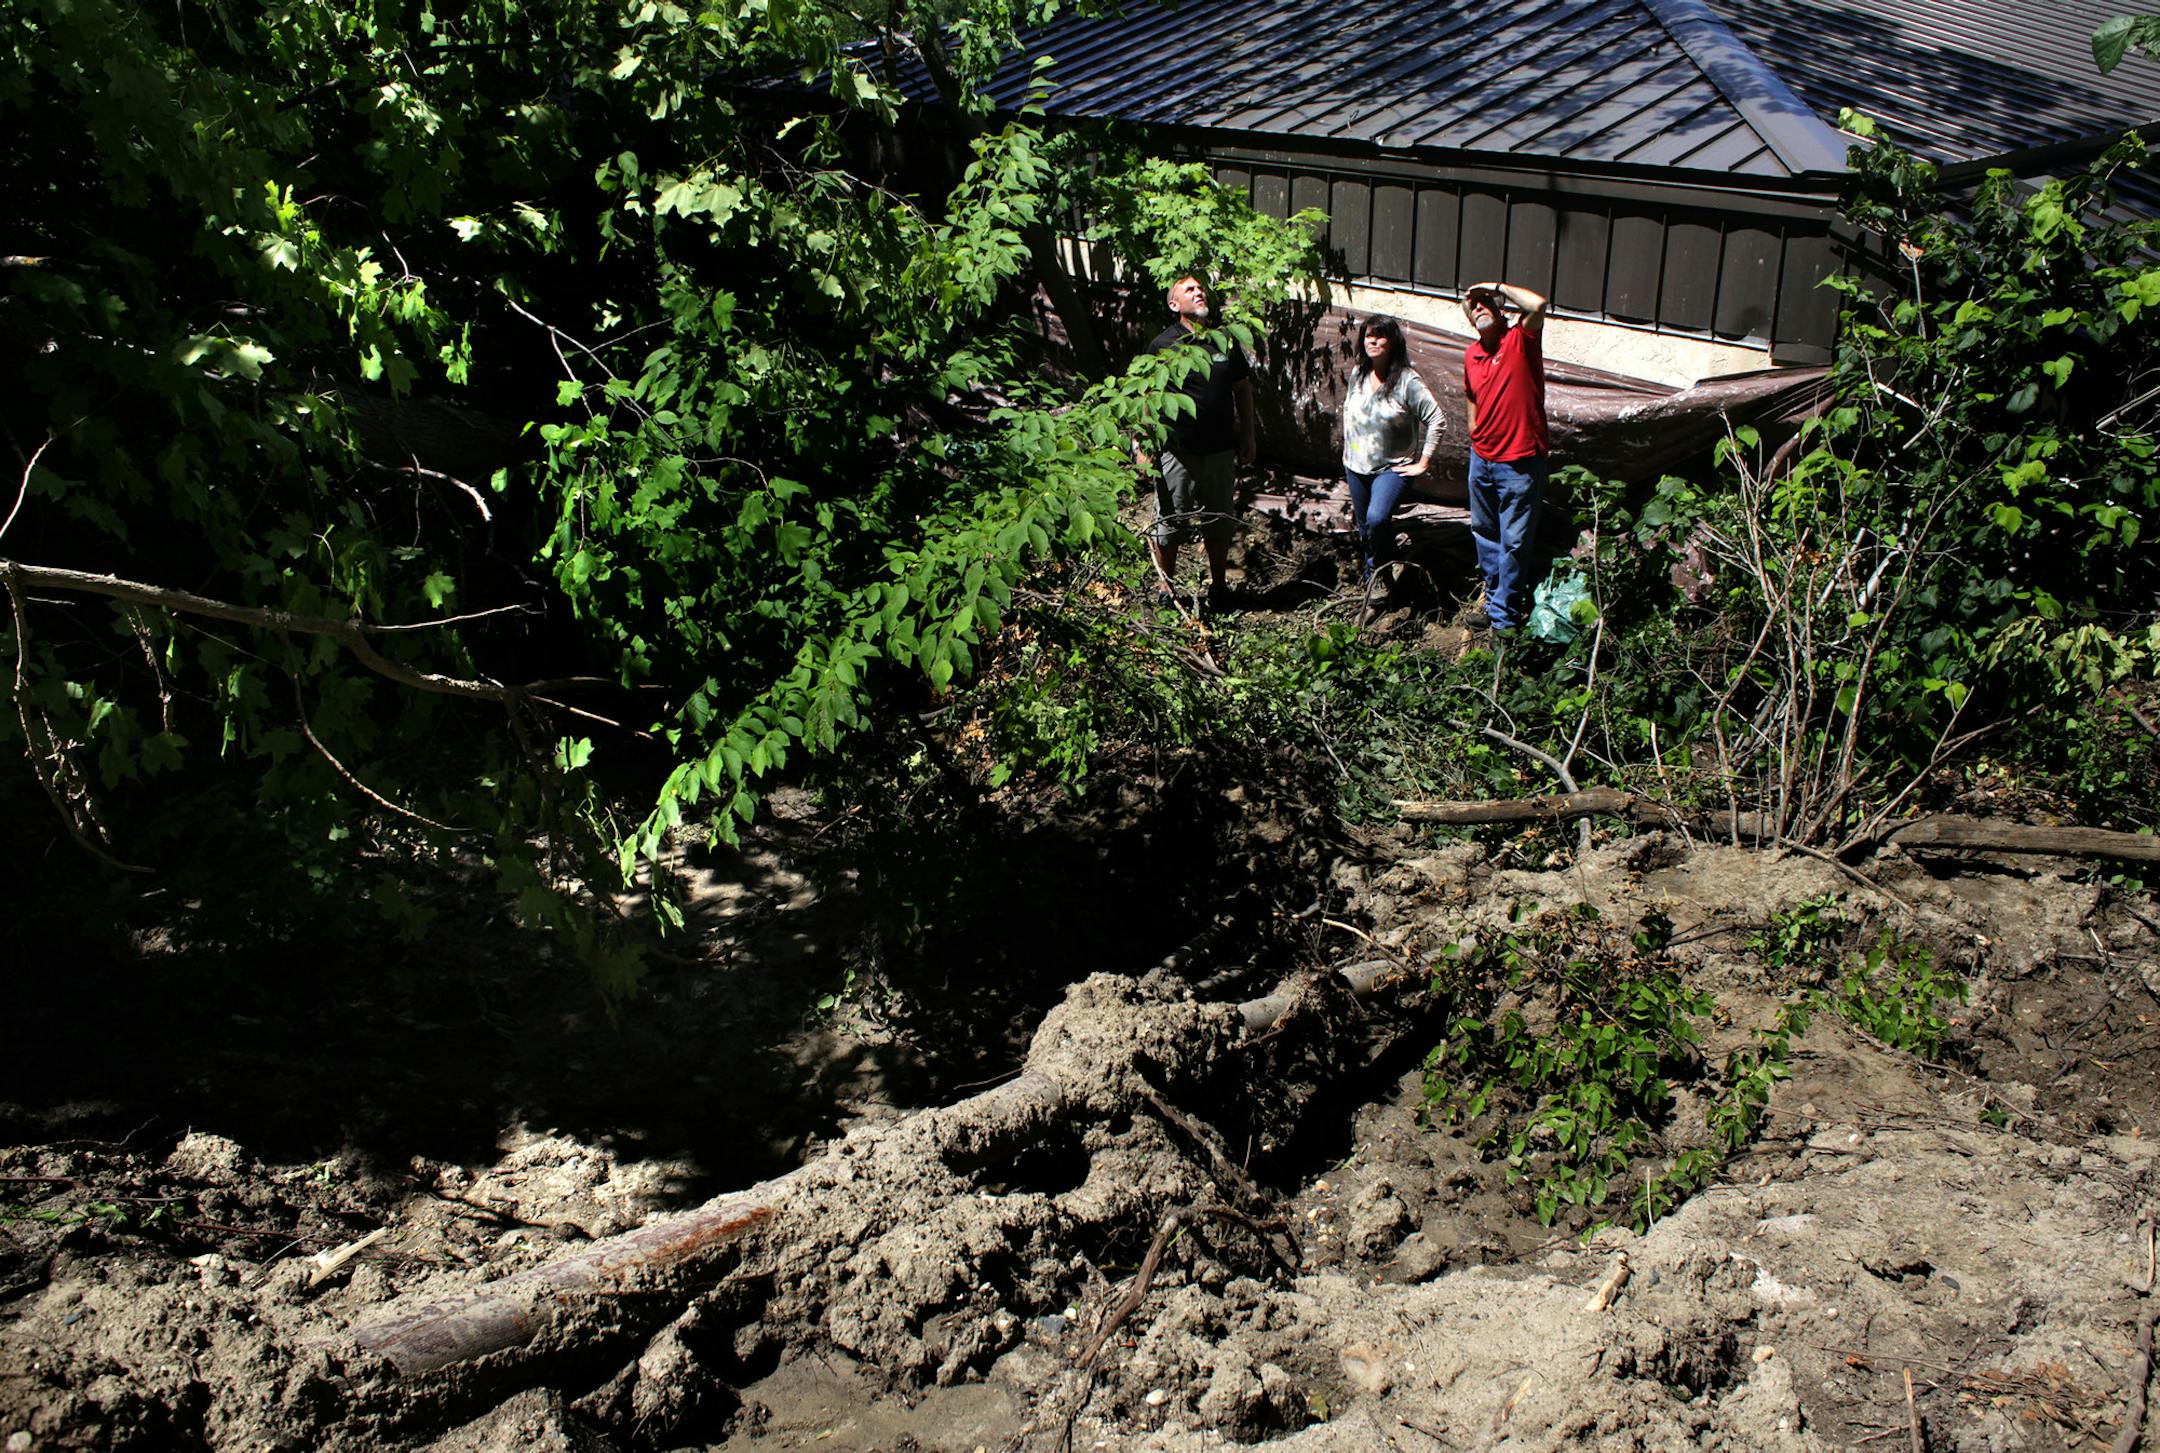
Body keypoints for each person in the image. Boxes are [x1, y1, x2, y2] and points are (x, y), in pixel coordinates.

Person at [1134, 273, 1255, 610]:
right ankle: (1166, 589)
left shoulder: (1224, 340)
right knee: (1170, 522)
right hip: (1178, 452)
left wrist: (1248, 434)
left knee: (1219, 521)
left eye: (1200, 288)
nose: (1199, 292)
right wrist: (1144, 445)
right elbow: (1148, 396)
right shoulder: (1163, 344)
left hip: (1219, 450)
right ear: (1175, 305)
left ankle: (1219, 588)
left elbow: (1242, 389)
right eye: (1189, 290)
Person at [1461, 280, 1551, 633]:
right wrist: (1473, 427)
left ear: (1502, 311)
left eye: (1486, 303)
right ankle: (1494, 598)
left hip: (1519, 461)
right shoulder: (1471, 355)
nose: (1479, 307)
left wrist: (1494, 285)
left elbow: (1539, 304)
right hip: (1481, 458)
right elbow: (1470, 393)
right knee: (1485, 533)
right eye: (1474, 305)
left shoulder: (1520, 341)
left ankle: (1504, 620)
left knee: (1514, 541)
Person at [1340, 313, 1443, 588]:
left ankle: (1384, 566)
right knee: (1364, 528)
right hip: (1356, 465)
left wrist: (1424, 461)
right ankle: (1376, 579)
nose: (1372, 340)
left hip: (1392, 467)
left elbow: (1436, 419)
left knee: (1377, 518)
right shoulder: (1358, 375)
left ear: (1393, 342)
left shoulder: (1407, 382)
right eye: (1368, 336)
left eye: (1380, 335)